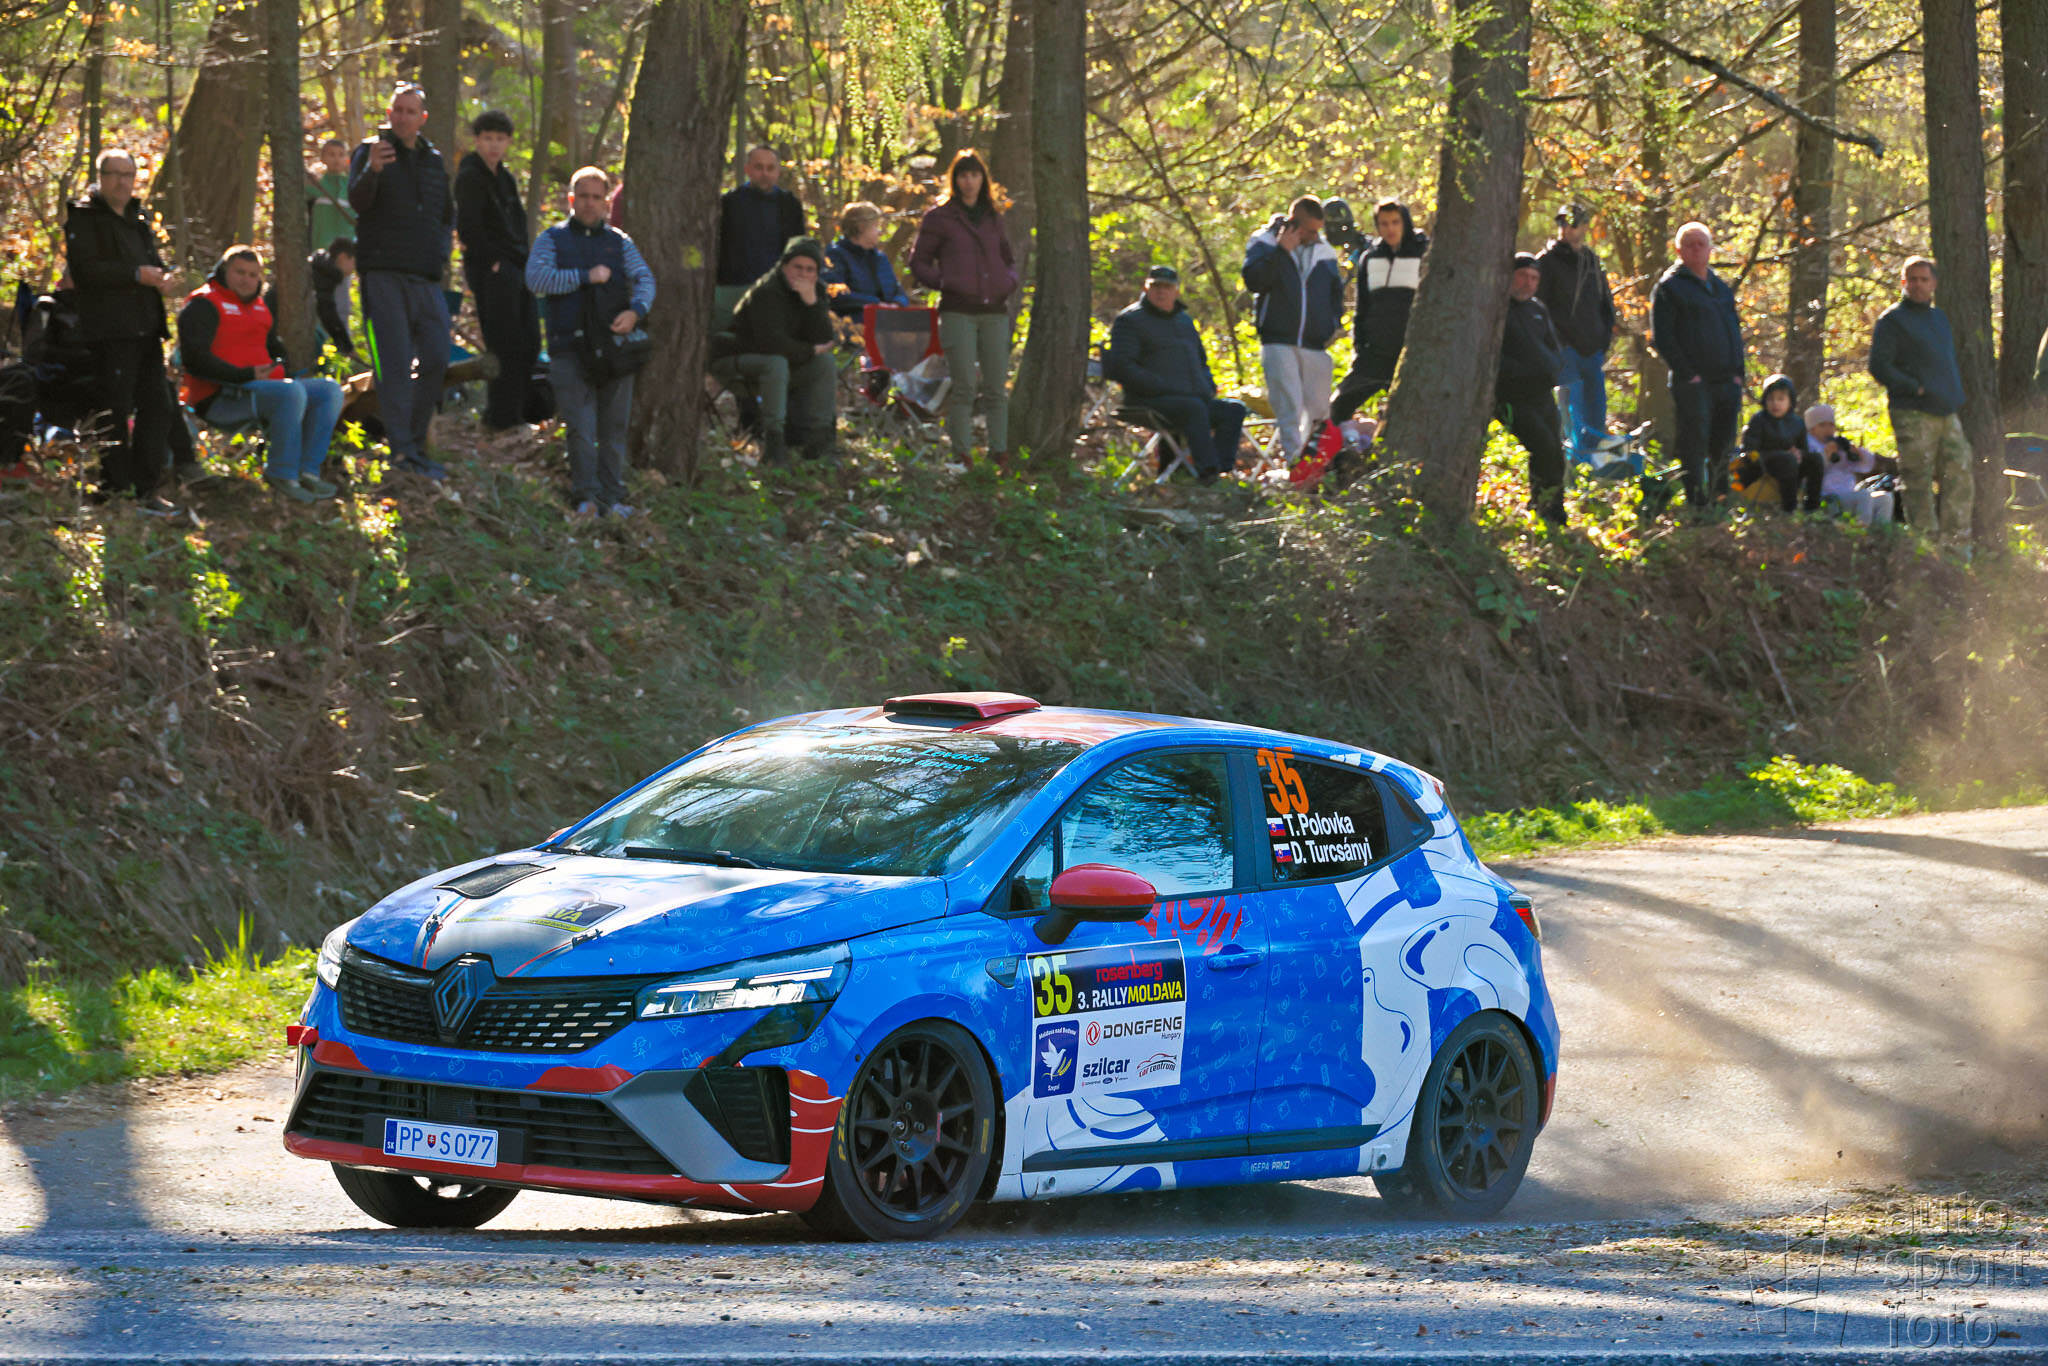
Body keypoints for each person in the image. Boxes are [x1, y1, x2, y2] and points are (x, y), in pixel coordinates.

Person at [526, 167, 654, 518]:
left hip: (615, 351)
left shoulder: (620, 242)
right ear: (571, 199)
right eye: (583, 196)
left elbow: (645, 279)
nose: (589, 203)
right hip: (568, 348)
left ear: (607, 203)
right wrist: (584, 277)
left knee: (613, 429)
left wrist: (635, 312)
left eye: (597, 197)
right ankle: (586, 498)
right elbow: (535, 279)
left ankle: (613, 498)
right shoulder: (552, 240)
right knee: (581, 429)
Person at [62, 147, 181, 515]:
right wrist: (134, 274)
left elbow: (152, 263)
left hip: (146, 328)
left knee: (158, 406)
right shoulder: (84, 218)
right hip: (110, 331)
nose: (121, 182)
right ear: (100, 178)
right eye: (114, 174)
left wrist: (163, 278)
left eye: (128, 175)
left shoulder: (138, 218)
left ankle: (146, 489)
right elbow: (85, 271)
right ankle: (114, 488)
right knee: (114, 409)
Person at [176, 246, 347, 503]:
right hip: (221, 396)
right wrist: (244, 375)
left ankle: (307, 472)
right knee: (291, 392)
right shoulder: (203, 304)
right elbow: (194, 361)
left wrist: (279, 364)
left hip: (264, 389)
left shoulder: (258, 306)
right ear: (224, 271)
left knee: (329, 390)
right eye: (240, 272)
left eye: (253, 275)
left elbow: (273, 347)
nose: (246, 280)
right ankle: (282, 474)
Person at [348, 83, 455, 480]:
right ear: (389, 113)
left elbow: (446, 214)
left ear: (422, 118)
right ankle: (402, 452)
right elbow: (357, 201)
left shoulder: (433, 160)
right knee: (392, 364)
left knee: (437, 356)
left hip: (425, 277)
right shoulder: (369, 152)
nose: (403, 117)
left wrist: (440, 253)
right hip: (383, 274)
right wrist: (373, 170)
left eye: (411, 111)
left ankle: (416, 444)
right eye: (398, 110)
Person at [909, 149, 1018, 462]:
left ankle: (999, 453)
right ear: (954, 180)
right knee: (964, 386)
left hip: (994, 311)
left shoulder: (993, 217)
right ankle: (962, 455)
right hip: (958, 311)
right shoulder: (939, 217)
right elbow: (918, 262)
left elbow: (1008, 259)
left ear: (983, 179)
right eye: (963, 175)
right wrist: (946, 282)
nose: (969, 181)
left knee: (996, 388)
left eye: (974, 175)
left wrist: (1007, 282)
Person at [1104, 264, 1248, 485]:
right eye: (1156, 286)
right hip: (1148, 400)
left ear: (1177, 290)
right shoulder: (1130, 321)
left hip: (1191, 398)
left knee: (1234, 409)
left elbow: (1201, 362)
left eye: (1167, 287)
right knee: (1192, 408)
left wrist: (1207, 385)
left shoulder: (1184, 321)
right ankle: (1207, 474)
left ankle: (1221, 471)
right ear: (1146, 287)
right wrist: (1160, 386)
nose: (1161, 292)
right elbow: (1123, 367)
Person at [1869, 257, 1973, 548]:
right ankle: (1924, 545)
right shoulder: (1892, 321)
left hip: (1946, 410)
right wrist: (1914, 388)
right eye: (1911, 279)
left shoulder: (1939, 318)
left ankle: (1956, 545)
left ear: (1934, 283)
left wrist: (1951, 393)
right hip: (1912, 411)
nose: (1917, 285)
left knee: (1960, 474)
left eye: (1923, 279)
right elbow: (1879, 366)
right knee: (1917, 478)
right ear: (1903, 282)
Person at [709, 236, 837, 466]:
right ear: (784, 266)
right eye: (797, 267)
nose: (803, 274)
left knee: (824, 363)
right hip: (735, 360)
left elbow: (825, 340)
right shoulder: (768, 291)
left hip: (783, 363)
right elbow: (771, 343)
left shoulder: (815, 291)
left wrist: (811, 304)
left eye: (810, 269)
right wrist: (809, 350)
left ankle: (819, 440)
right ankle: (774, 443)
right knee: (776, 362)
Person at [1650, 221, 1746, 515]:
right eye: (1689, 245)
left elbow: (1734, 331)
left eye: (1701, 244)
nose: (1695, 249)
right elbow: (1663, 338)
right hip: (1693, 383)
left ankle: (1720, 499)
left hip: (1726, 381)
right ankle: (1696, 502)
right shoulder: (1669, 288)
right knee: (1694, 443)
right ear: (1679, 250)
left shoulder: (1720, 288)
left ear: (1710, 249)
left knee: (1723, 443)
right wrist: (1687, 374)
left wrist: (1738, 374)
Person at [455, 109, 540, 431]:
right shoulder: (470, 176)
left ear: (508, 143)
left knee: (529, 341)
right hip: (492, 270)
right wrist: (493, 262)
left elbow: (517, 224)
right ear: (477, 140)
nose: (493, 145)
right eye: (488, 138)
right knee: (504, 344)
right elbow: (469, 228)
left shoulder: (505, 178)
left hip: (517, 267)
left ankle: (516, 412)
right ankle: (503, 419)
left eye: (500, 139)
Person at [1241, 196, 1344, 458]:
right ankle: (1294, 464)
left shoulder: (1325, 250)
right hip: (1279, 340)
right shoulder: (1264, 242)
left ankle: (1317, 466)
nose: (1315, 236)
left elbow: (1336, 294)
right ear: (1293, 223)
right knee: (1290, 408)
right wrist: (1281, 252)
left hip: (1315, 343)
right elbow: (1254, 281)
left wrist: (1333, 324)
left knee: (1319, 411)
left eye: (1318, 230)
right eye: (1310, 230)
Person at [1329, 199, 1429, 425]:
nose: (1390, 229)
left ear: (1405, 222)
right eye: (1384, 223)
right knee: (1337, 407)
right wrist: (1359, 346)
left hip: (1412, 352)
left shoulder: (1425, 253)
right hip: (1375, 352)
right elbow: (1362, 307)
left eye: (1395, 222)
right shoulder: (1369, 257)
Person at [1535, 203, 1617, 461]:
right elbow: (1538, 307)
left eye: (1572, 223)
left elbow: (1606, 304)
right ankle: (1573, 466)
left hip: (1593, 351)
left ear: (1584, 226)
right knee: (1571, 413)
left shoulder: (1592, 261)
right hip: (1564, 352)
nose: (1566, 228)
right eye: (1562, 223)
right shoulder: (1546, 262)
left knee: (1596, 412)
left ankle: (1594, 466)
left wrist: (1604, 340)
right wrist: (1556, 343)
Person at [1496, 254, 1568, 525]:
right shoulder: (1497, 309)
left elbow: (1554, 347)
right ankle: (1543, 508)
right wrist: (1522, 371)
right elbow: (1493, 358)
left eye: (1534, 278)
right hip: (1512, 396)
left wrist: (1554, 367)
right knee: (1543, 446)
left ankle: (1552, 510)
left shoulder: (1537, 310)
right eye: (1522, 276)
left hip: (1542, 394)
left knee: (1556, 452)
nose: (1528, 283)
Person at [715, 147, 807, 322]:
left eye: (770, 168)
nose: (765, 173)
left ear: (778, 172)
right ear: (747, 169)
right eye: (759, 167)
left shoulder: (789, 205)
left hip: (777, 290)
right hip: (733, 289)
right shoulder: (730, 203)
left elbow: (798, 248)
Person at [1736, 374, 1823, 513]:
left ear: (1790, 401)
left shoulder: (1797, 423)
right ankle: (1789, 508)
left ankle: (1812, 506)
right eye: (1771, 399)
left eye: (1781, 399)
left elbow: (1803, 449)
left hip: (1791, 465)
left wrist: (1799, 454)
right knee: (1787, 459)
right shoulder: (1758, 420)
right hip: (1762, 464)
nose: (1775, 403)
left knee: (1816, 459)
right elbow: (1749, 451)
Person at [1805, 402, 1895, 526]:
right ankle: (1860, 532)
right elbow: (1809, 472)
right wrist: (1826, 455)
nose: (1828, 429)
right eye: (1822, 425)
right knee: (1863, 496)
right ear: (1812, 429)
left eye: (1831, 425)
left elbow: (1866, 467)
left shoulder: (1839, 443)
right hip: (1827, 498)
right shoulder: (1808, 446)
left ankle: (1881, 533)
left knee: (1885, 498)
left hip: (1848, 495)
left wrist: (1857, 453)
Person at [823, 201, 911, 320]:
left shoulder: (880, 258)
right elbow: (835, 293)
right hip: (854, 325)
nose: (880, 232)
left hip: (887, 324)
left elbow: (898, 290)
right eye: (876, 226)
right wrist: (875, 304)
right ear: (861, 227)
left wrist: (897, 303)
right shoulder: (836, 255)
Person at [308, 236, 356, 357]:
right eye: (354, 262)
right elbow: (327, 313)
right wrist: (347, 347)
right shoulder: (324, 275)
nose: (354, 269)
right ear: (343, 257)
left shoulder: (322, 268)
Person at [306, 137, 356, 249]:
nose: (336, 159)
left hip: (349, 248)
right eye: (331, 155)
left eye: (341, 155)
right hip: (322, 246)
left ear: (347, 159)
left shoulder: (352, 186)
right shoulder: (315, 186)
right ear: (323, 158)